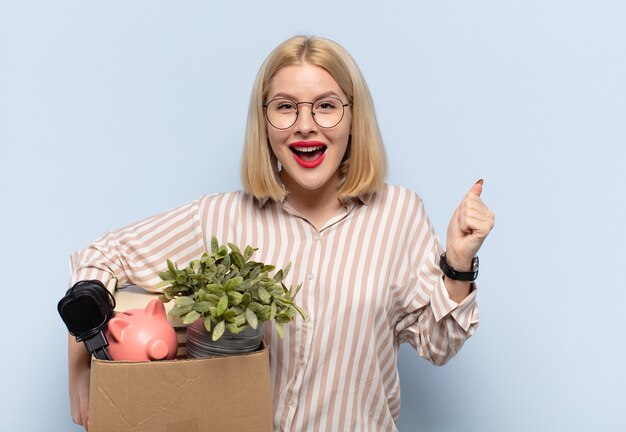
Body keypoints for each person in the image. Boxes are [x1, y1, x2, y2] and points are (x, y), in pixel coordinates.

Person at [67, 35, 495, 431]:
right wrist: (82, 367)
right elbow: (99, 257)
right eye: (286, 106)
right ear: (266, 122)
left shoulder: (399, 213)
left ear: (352, 117)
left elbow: (438, 346)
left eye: (326, 106)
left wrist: (458, 264)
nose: (305, 125)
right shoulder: (222, 217)